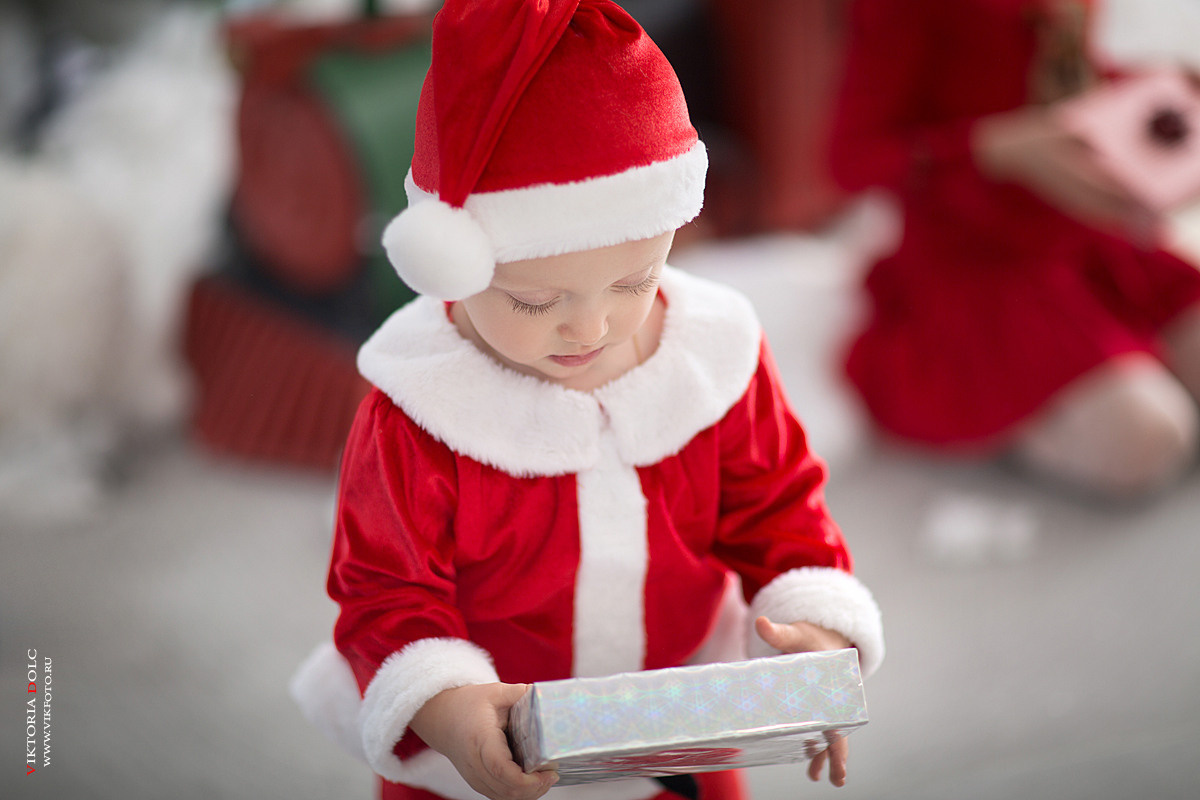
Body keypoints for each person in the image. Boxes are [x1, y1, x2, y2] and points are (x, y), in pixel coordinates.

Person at [289, 3, 885, 800]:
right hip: (478, 751)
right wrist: (446, 703)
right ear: (453, 265)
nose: (591, 328)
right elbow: (386, 592)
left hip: (681, 723)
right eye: (535, 301)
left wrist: (812, 634)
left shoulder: (712, 358)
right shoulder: (419, 409)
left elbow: (779, 511)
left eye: (635, 281)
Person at [828, 0, 1200, 498]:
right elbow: (851, 161)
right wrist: (987, 147)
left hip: (1084, 242)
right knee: (1150, 441)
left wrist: (1145, 94)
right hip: (975, 268)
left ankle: (1109, 378)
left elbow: (1060, 77)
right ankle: (1005, 414)